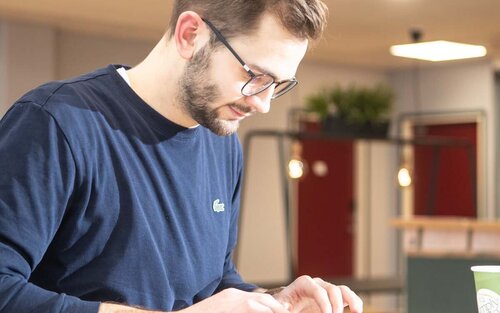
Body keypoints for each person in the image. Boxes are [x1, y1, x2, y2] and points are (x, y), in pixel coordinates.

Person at [0, 1, 363, 312]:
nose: (263, 103)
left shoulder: (222, 143)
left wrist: (273, 300)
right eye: (255, 76)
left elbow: (214, 280)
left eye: (279, 86)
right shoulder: (57, 121)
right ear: (190, 34)